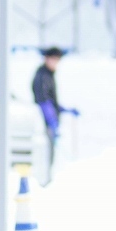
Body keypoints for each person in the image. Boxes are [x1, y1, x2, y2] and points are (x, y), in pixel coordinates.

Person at [31, 46, 76, 176]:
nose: (56, 63)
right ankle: (45, 179)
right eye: (54, 59)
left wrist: (64, 110)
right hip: (44, 123)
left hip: (50, 121)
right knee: (46, 154)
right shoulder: (42, 76)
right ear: (47, 59)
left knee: (52, 153)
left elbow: (52, 101)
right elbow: (43, 101)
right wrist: (51, 120)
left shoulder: (48, 75)